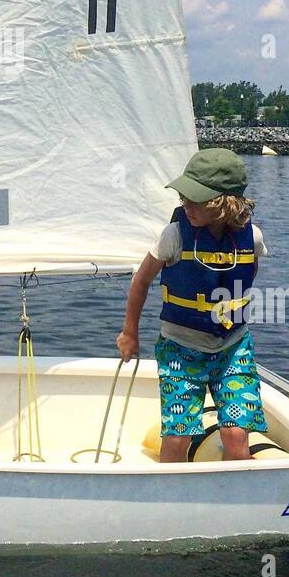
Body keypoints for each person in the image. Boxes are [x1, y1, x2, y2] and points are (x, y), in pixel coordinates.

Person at [116, 148, 268, 462]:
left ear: (224, 203)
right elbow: (141, 281)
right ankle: (171, 499)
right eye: (184, 197)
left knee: (237, 435)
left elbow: (247, 275)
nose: (185, 205)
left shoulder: (251, 237)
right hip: (180, 350)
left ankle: (238, 498)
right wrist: (130, 333)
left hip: (232, 347)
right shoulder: (173, 236)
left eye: (195, 199)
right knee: (177, 436)